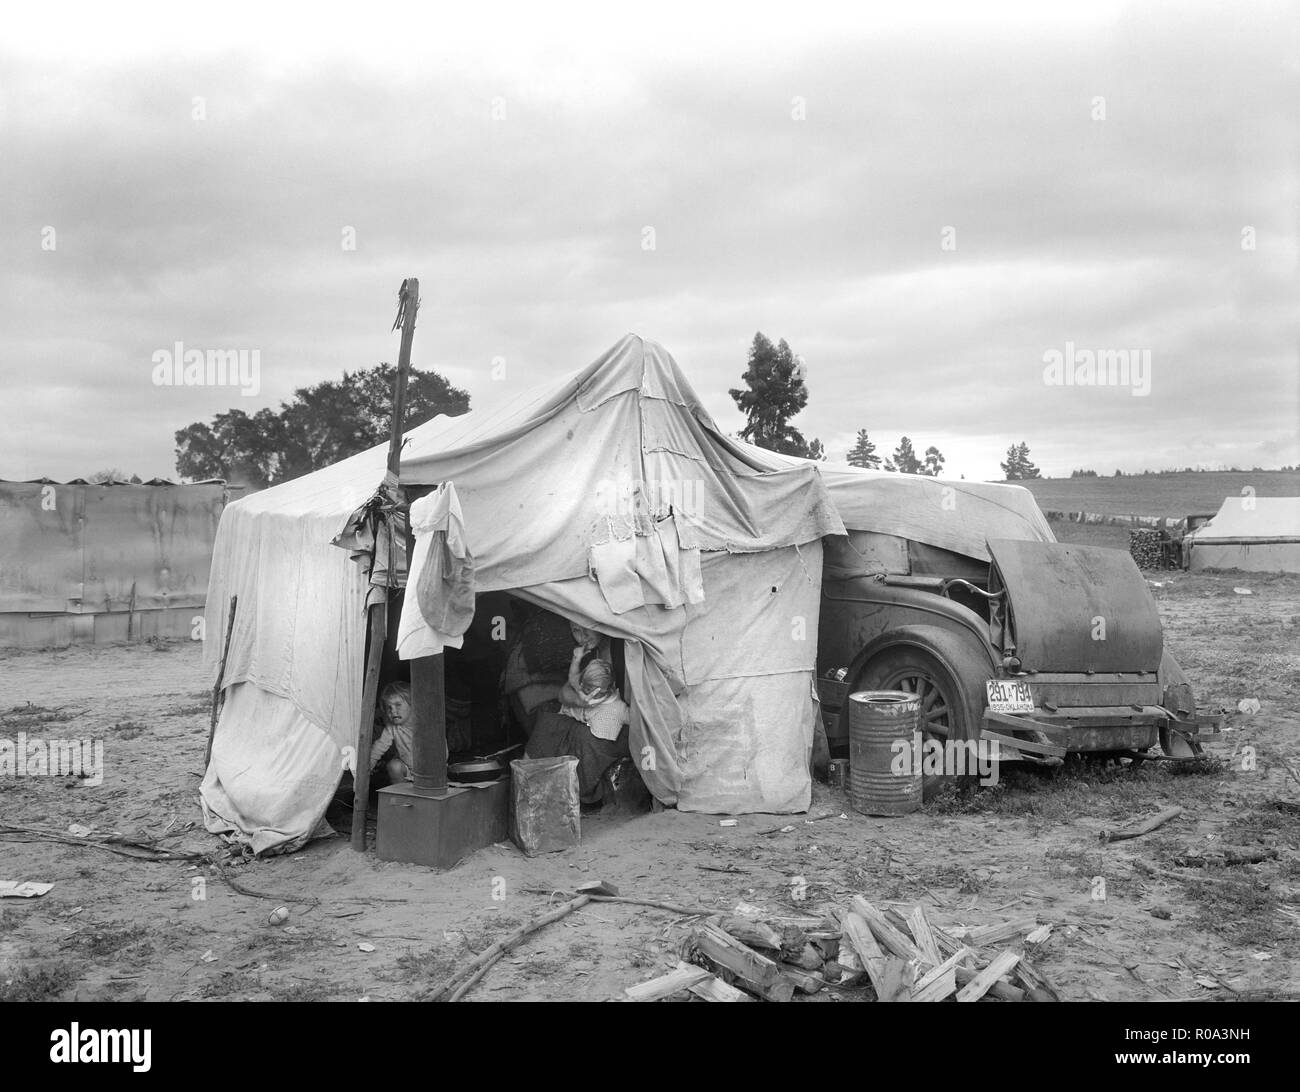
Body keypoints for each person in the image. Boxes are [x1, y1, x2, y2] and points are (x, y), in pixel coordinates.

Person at [369, 681, 415, 788]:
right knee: (394, 766)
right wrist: (369, 764)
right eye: (389, 707)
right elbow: (379, 746)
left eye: (398, 705)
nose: (393, 711)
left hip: (432, 771)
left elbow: (440, 749)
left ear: (413, 704)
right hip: (408, 770)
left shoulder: (423, 724)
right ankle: (402, 797)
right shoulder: (391, 726)